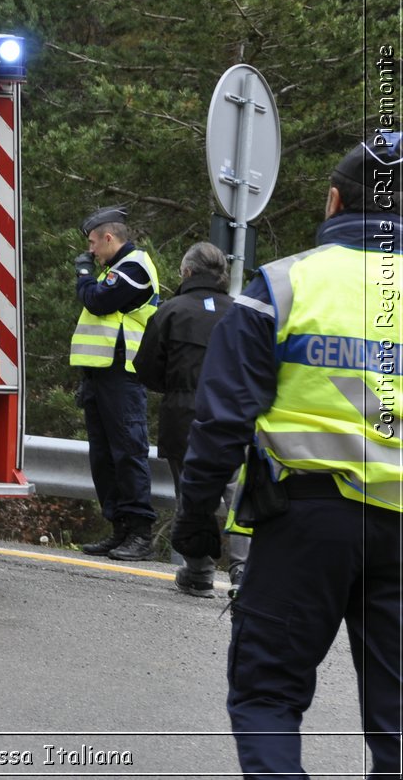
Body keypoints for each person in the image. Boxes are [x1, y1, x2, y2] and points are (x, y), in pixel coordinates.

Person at [173, 132, 402, 780]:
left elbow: (218, 423)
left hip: (306, 522)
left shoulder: (281, 286)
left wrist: (195, 522)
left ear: (334, 200)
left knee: (267, 696)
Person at [132, 240, 246, 596]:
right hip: (233, 412)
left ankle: (199, 572)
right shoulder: (242, 312)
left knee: (193, 494)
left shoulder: (170, 311)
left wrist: (177, 387)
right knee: (239, 492)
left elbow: (147, 369)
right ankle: (245, 571)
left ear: (187, 272)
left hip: (184, 413)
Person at [70, 205, 161, 560]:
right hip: (101, 373)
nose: (91, 251)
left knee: (128, 452)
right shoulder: (118, 268)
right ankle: (119, 529)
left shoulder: (135, 266)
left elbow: (97, 300)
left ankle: (140, 533)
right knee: (104, 457)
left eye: (93, 243)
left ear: (109, 238)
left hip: (123, 374)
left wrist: (83, 274)